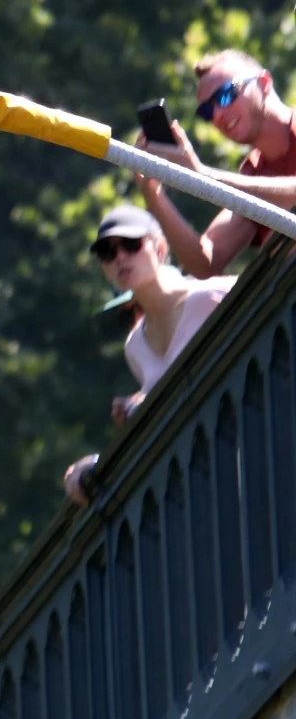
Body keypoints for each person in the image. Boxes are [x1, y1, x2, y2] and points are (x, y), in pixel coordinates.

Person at [63, 206, 234, 504]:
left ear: (160, 247)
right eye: (107, 252)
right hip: (207, 477)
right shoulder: (135, 346)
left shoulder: (211, 296)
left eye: (131, 245)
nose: (120, 258)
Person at [135, 48, 296, 276]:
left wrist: (203, 175)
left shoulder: (247, 187)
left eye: (226, 94)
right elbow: (205, 262)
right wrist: (153, 196)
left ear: (264, 82)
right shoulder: (251, 174)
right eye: (206, 110)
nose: (218, 114)